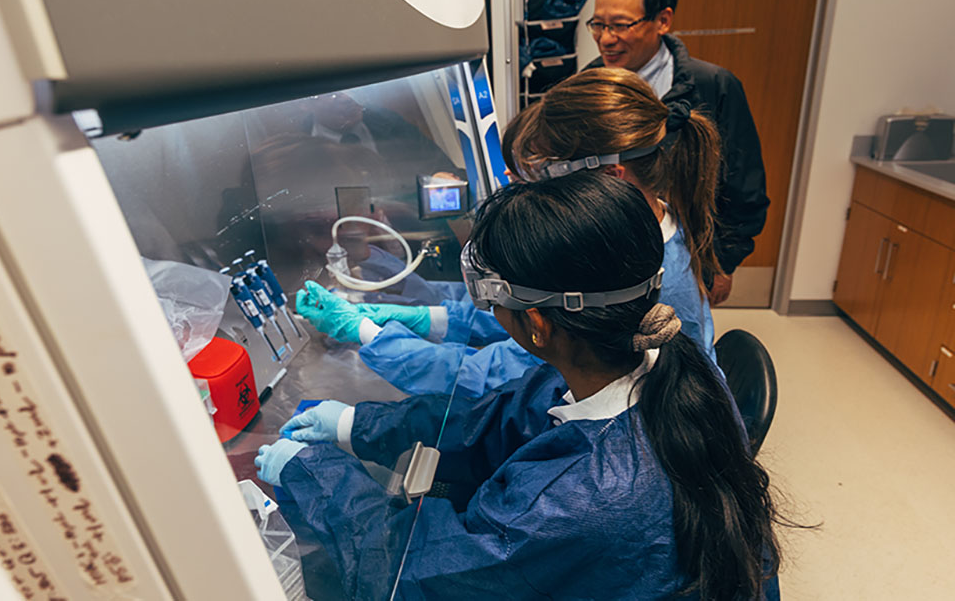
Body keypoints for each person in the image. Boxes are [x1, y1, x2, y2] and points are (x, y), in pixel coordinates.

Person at [256, 172, 782, 599]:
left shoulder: (573, 503)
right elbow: (494, 416)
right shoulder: (665, 360)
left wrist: (311, 474)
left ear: (537, 325)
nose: (487, 312)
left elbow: (414, 575)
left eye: (491, 300)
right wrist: (355, 425)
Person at [297, 68, 721, 398]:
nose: (530, 194)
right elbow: (525, 313)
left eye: (545, 176)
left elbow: (492, 374)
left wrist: (367, 335)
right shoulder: (614, 243)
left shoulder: (642, 283)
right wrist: (424, 318)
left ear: (611, 177)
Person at [584, 0, 768, 305]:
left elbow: (745, 189)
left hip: (685, 264)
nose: (606, 39)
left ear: (663, 20)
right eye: (598, 24)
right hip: (606, 261)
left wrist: (721, 264)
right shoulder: (588, 86)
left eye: (621, 25)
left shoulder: (713, 86)